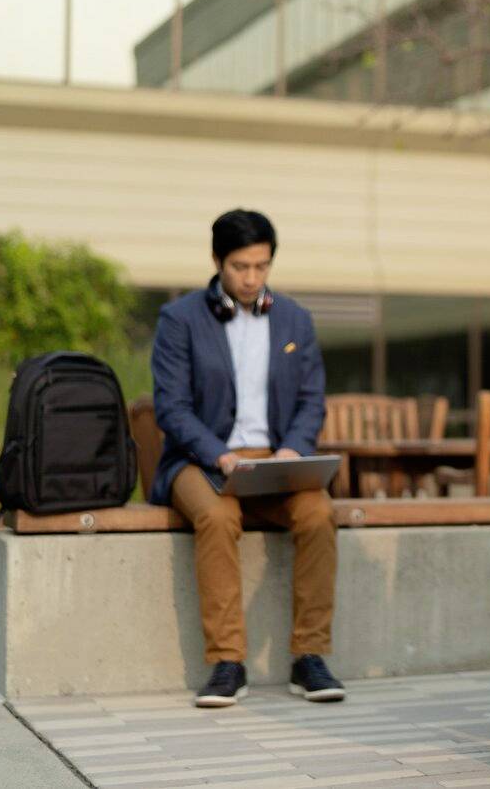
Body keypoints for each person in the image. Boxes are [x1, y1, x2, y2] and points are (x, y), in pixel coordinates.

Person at [150, 209, 345, 708]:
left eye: (261, 266)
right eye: (241, 266)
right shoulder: (179, 319)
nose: (252, 278)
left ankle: (310, 657)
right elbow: (171, 408)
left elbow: (310, 401)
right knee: (217, 516)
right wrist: (220, 456)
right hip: (201, 461)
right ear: (217, 260)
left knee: (320, 512)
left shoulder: (295, 319)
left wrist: (291, 451)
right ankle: (227, 662)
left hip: (276, 461)